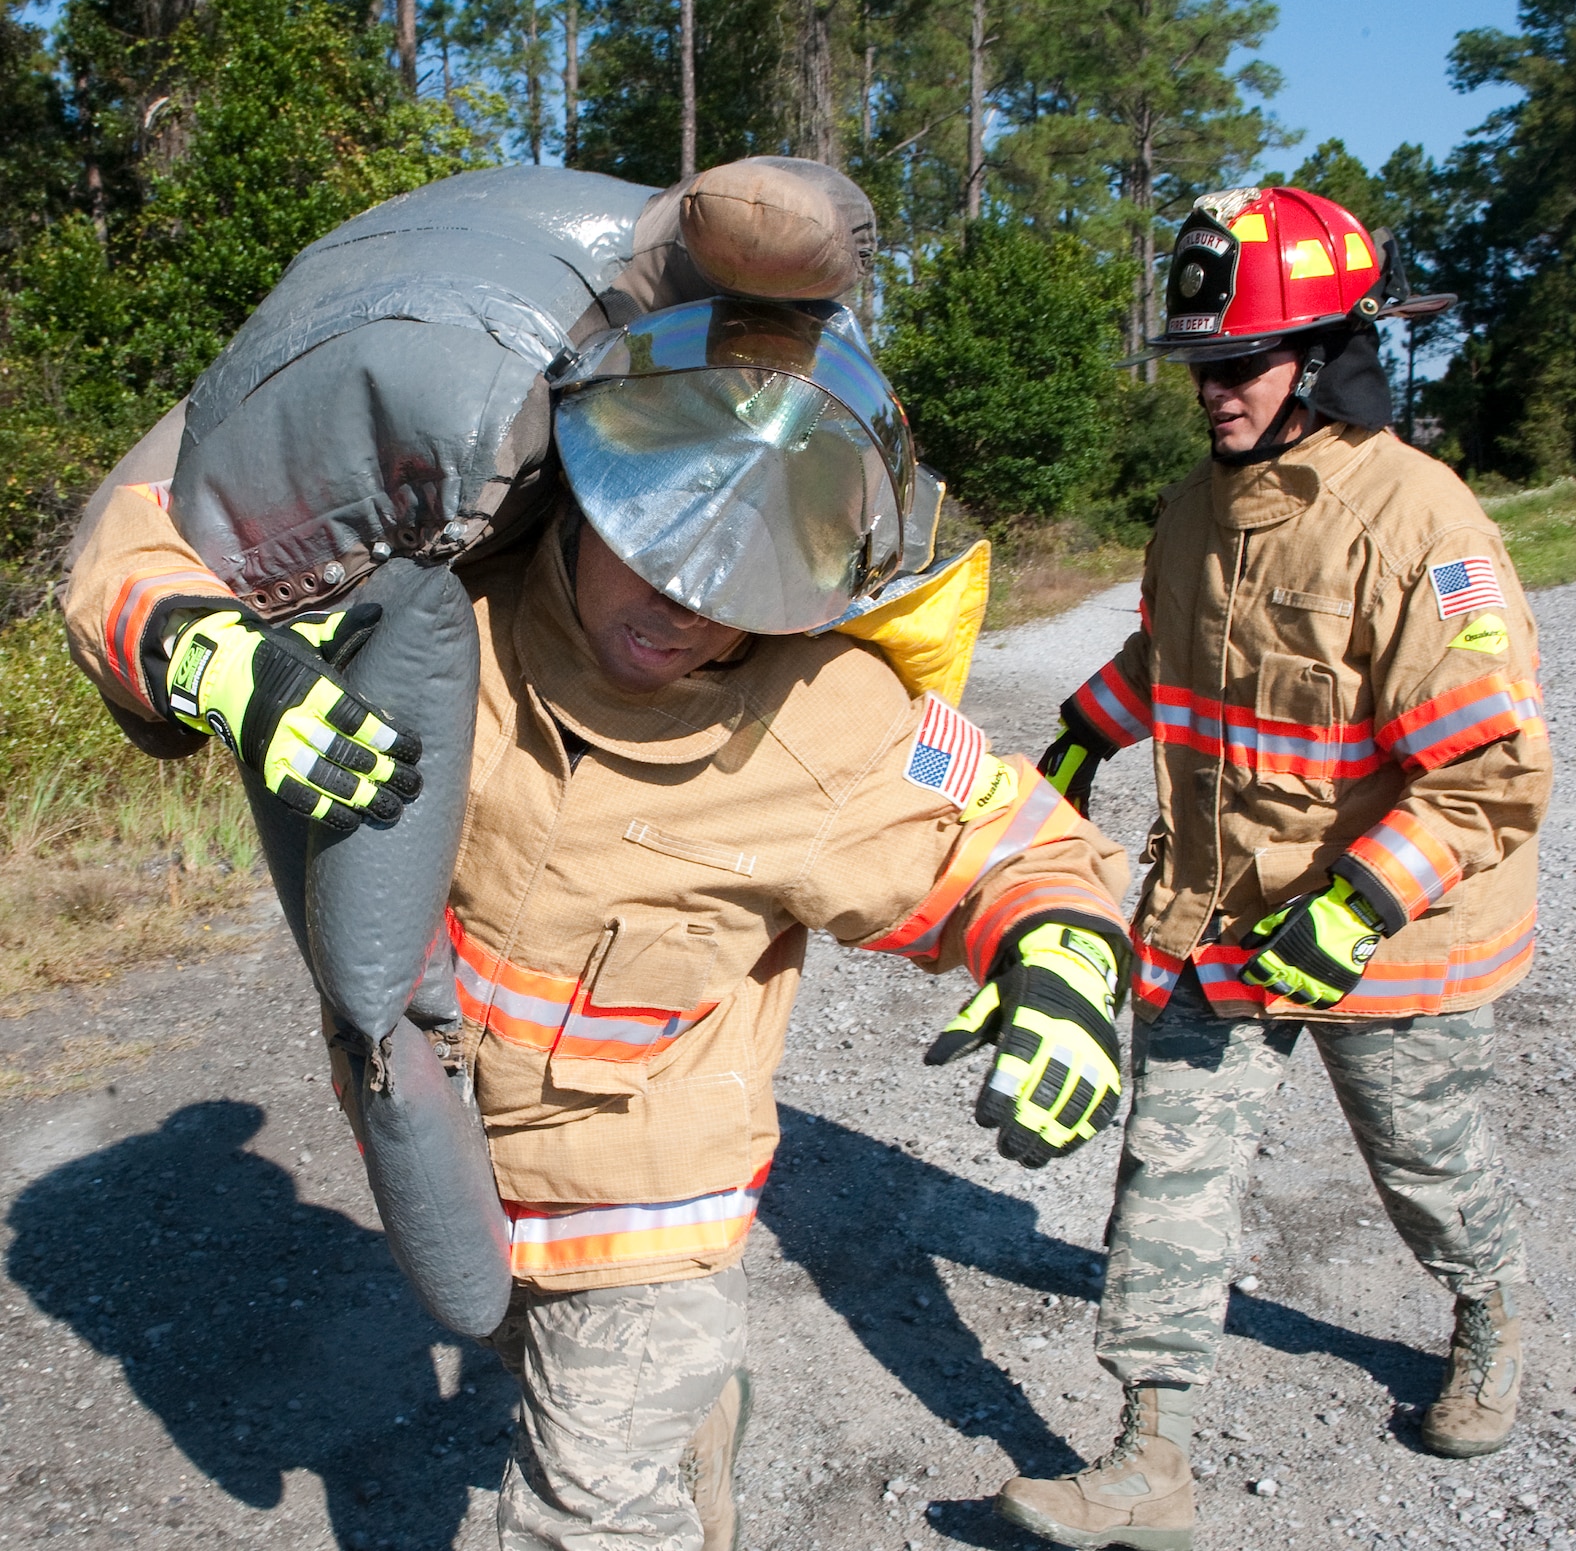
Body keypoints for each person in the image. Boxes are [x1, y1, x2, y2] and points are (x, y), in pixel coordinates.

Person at [62, 175, 1132, 1551]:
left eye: (737, 578)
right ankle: (698, 1425)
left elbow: (1021, 852)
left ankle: (667, 1430)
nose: (682, 609)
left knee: (583, 1515)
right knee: (553, 1387)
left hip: (652, 1222)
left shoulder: (825, 722)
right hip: (462, 1173)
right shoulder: (442, 621)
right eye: (656, 547)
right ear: (587, 475)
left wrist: (1060, 959)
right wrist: (207, 655)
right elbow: (136, 544)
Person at [997, 185, 1553, 1551]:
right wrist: (1084, 733)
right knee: (1168, 1166)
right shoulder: (1195, 511)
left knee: (1426, 1165)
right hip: (1220, 916)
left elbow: (1490, 772)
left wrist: (1360, 905)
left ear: (1321, 356)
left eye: (1239, 363)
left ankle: (1487, 1316)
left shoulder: (1422, 528)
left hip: (1396, 931)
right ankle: (1151, 1454)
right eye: (1200, 366)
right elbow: (1176, 659)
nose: (1215, 392)